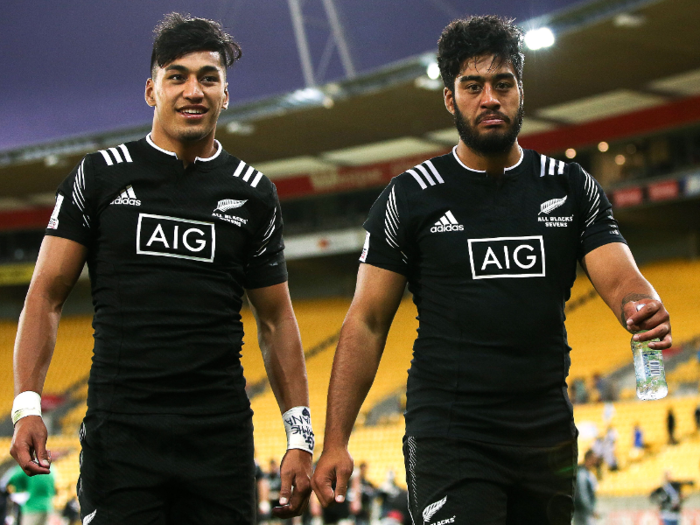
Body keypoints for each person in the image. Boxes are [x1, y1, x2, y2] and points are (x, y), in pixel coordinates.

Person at [311, 14, 672, 525]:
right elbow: (367, 321)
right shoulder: (409, 197)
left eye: (503, 85)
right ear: (449, 98)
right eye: (472, 86)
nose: (489, 100)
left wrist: (640, 306)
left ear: (521, 91)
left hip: (546, 431)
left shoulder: (569, 186)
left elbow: (620, 278)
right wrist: (335, 441)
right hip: (449, 433)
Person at [9, 13, 313, 525]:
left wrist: (299, 437)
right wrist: (27, 405)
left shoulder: (253, 192)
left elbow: (277, 319)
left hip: (218, 438)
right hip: (121, 433)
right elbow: (45, 295)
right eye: (177, 76)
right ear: (151, 90)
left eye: (208, 78)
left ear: (225, 94)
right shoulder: (99, 176)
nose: (193, 90)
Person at [573, 450, 599, 525]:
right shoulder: (582, 474)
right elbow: (583, 494)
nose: (595, 461)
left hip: (582, 510)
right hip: (582, 512)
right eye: (594, 459)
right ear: (589, 459)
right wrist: (590, 510)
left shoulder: (587, 473)